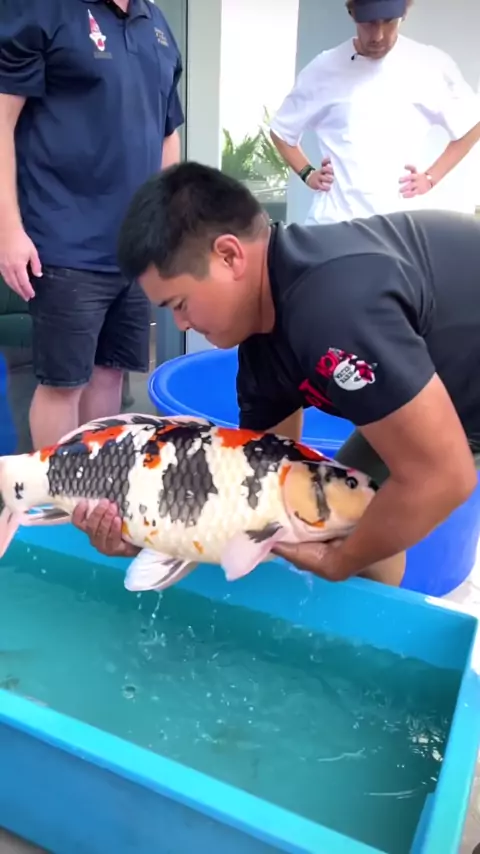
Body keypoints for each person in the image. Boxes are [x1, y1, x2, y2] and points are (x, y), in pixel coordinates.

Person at [72, 161, 480, 588]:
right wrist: (146, 532)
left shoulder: (333, 309)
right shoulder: (262, 349)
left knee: (356, 530)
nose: (181, 324)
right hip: (445, 387)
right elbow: (259, 494)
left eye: (180, 304)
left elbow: (443, 476)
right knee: (335, 509)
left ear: (229, 255)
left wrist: (338, 562)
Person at [0, 0, 184, 449]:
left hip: (135, 249)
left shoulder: (155, 24)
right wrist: (8, 230)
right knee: (63, 384)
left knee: (110, 374)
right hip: (64, 242)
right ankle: (56, 490)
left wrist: (164, 226)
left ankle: (96, 486)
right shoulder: (44, 9)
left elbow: (168, 135)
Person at [269, 0, 480, 224]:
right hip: (334, 223)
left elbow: (472, 123)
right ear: (352, 14)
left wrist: (430, 177)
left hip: (397, 224)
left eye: (388, 22)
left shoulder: (430, 65)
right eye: (369, 23)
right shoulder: (324, 68)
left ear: (403, 14)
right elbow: (281, 131)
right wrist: (307, 173)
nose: (378, 36)